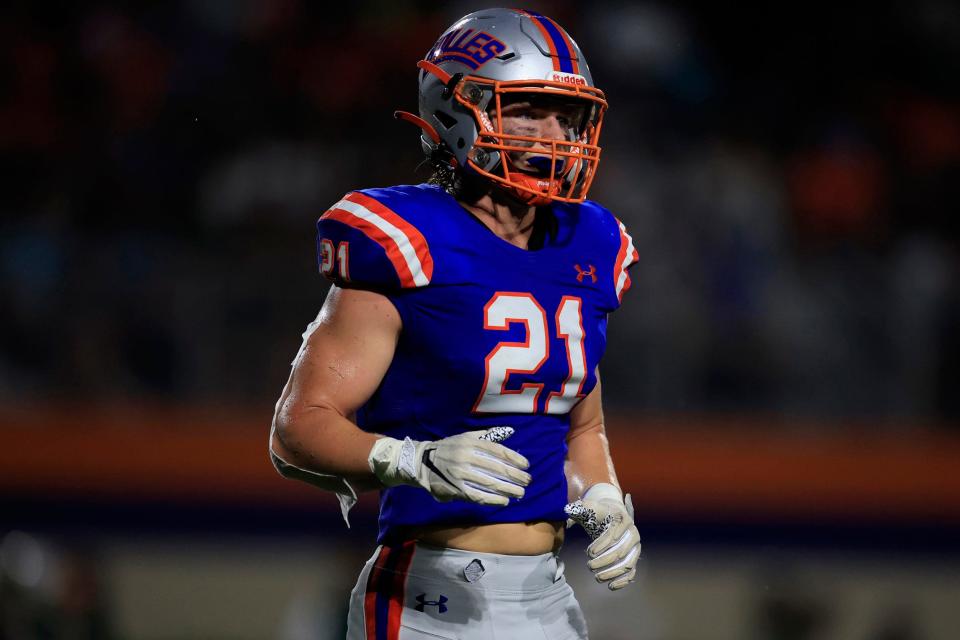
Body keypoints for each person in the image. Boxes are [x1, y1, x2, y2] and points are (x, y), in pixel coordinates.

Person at [269, 8, 641, 639]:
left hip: (549, 597)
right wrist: (408, 460)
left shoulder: (591, 241)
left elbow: (582, 420)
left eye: (566, 115)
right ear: (456, 109)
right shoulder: (409, 241)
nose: (553, 133)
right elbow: (296, 429)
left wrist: (602, 495)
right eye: (527, 109)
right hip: (430, 598)